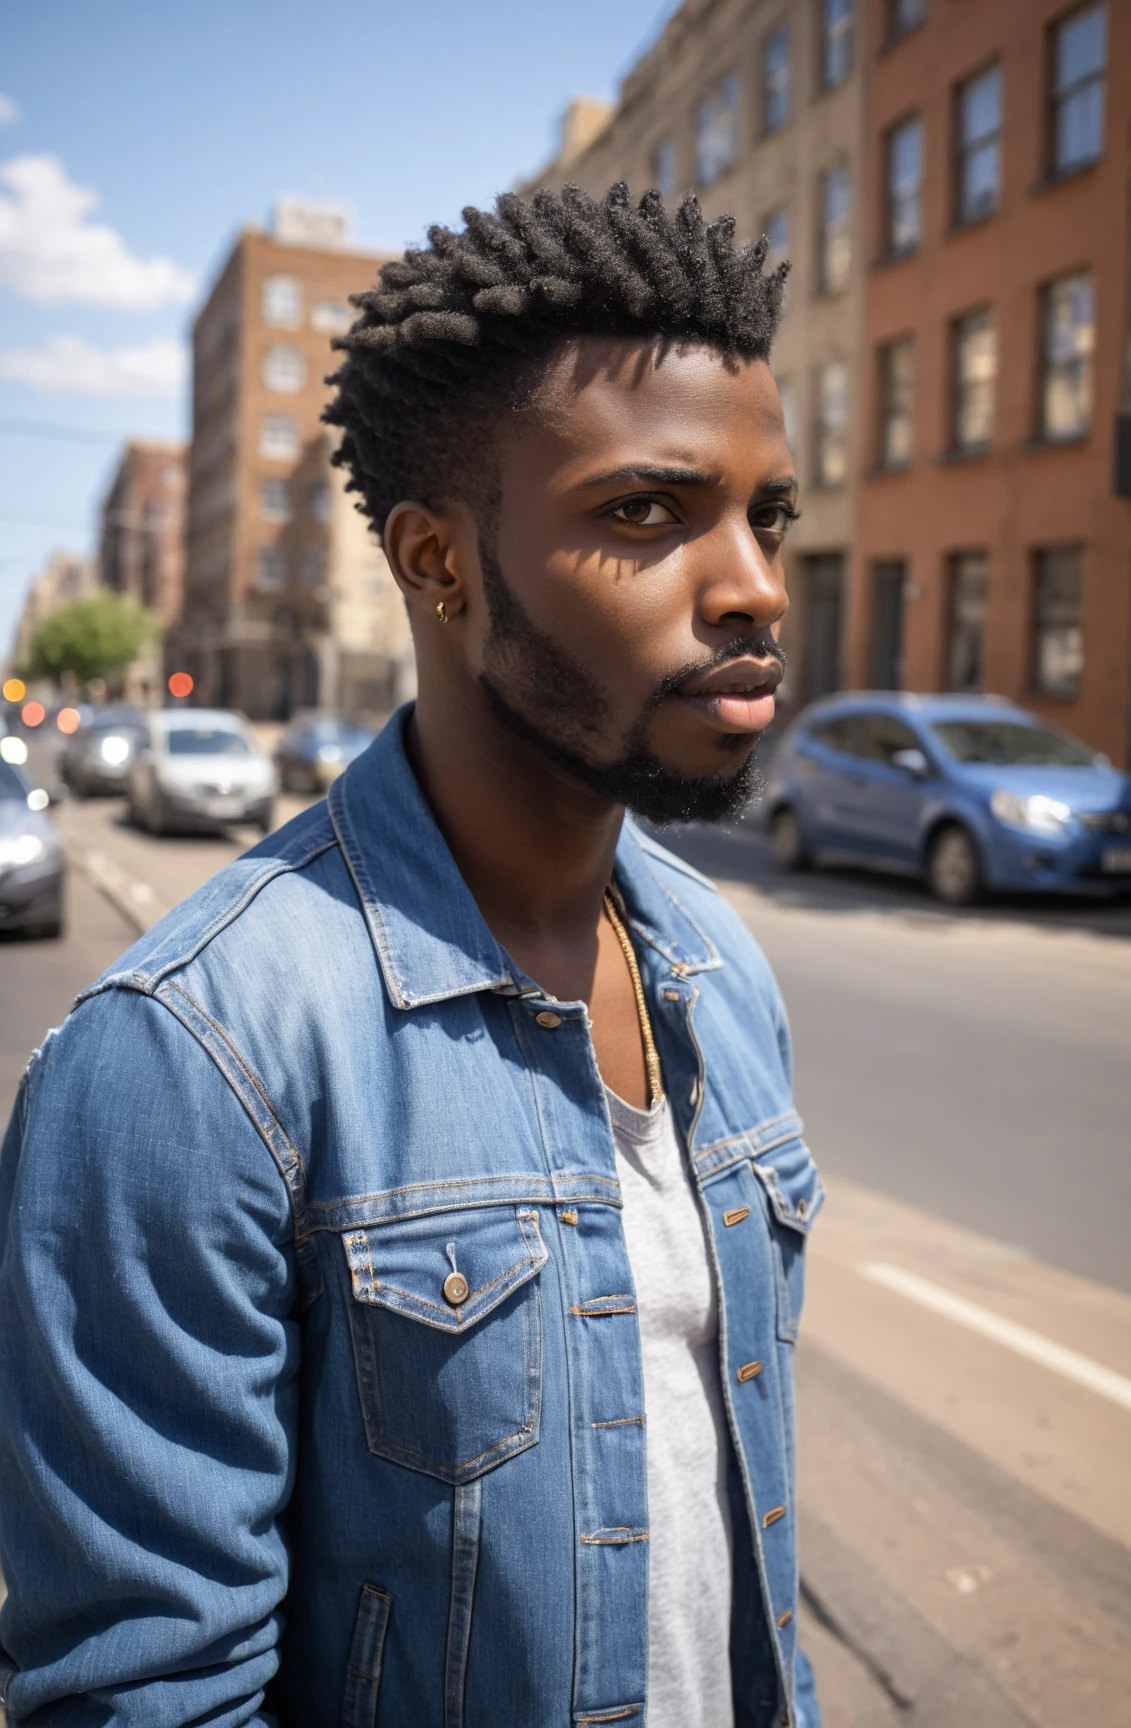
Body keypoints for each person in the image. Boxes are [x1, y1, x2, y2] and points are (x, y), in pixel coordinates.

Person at [0, 183, 823, 1728]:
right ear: (437, 561)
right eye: (648, 512)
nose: (756, 585)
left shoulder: (721, 970)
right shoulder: (188, 1058)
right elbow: (146, 1693)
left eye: (766, 515)